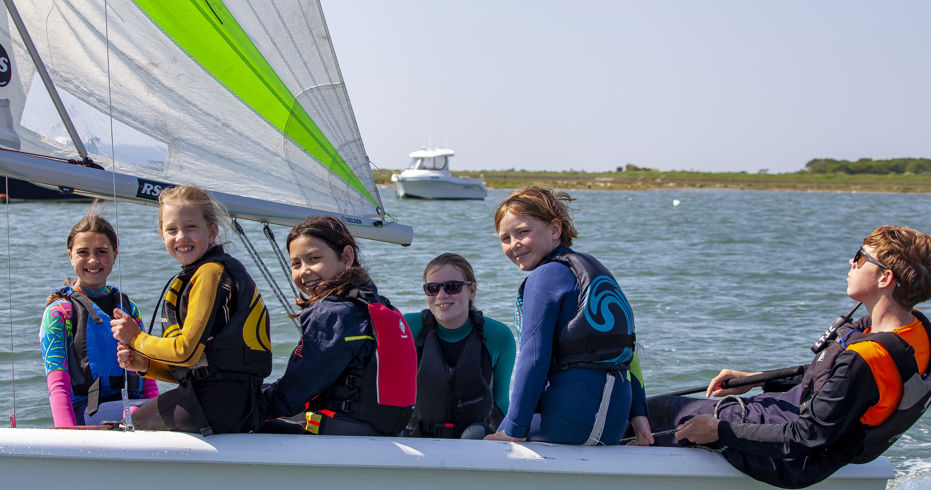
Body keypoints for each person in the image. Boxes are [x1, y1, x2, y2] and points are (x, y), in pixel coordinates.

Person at [649, 225, 931, 488]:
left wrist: (718, 431)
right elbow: (837, 380)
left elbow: (807, 435)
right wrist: (759, 379)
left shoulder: (867, 358)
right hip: (803, 421)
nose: (851, 262)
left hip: (792, 458)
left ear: (885, 278)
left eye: (860, 257)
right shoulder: (915, 329)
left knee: (656, 412)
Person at [485, 186, 652, 445]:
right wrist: (640, 417)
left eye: (523, 232)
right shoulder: (595, 270)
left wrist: (513, 430)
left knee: (488, 433)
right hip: (613, 424)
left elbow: (534, 358)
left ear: (555, 229)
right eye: (505, 238)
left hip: (569, 422)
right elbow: (627, 350)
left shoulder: (544, 277)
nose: (514, 244)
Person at [112, 185, 272, 434]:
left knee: (128, 429)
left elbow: (184, 351)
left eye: (191, 227)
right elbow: (198, 367)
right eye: (172, 229)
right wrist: (145, 365)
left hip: (220, 404)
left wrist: (135, 337)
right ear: (162, 235)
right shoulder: (202, 273)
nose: (181, 237)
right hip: (230, 402)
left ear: (212, 232)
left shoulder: (209, 273)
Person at [259, 216, 416, 436]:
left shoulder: (332, 312)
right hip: (378, 431)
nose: (304, 271)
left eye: (314, 258)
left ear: (346, 257)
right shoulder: (375, 303)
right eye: (296, 263)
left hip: (340, 434)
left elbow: (294, 391)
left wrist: (246, 409)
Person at [40, 208, 158, 427]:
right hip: (87, 412)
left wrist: (161, 413)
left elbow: (148, 378)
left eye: (102, 251)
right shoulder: (59, 313)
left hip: (135, 407)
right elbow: (58, 386)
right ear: (70, 255)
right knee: (146, 410)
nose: (93, 260)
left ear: (115, 254)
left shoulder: (129, 308)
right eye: (83, 252)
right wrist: (67, 434)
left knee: (178, 404)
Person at [403, 253, 516, 439]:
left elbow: (501, 401)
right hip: (417, 438)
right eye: (432, 288)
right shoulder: (409, 328)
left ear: (472, 290)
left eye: (452, 287)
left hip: (474, 439)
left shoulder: (498, 336)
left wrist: (512, 436)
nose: (441, 295)